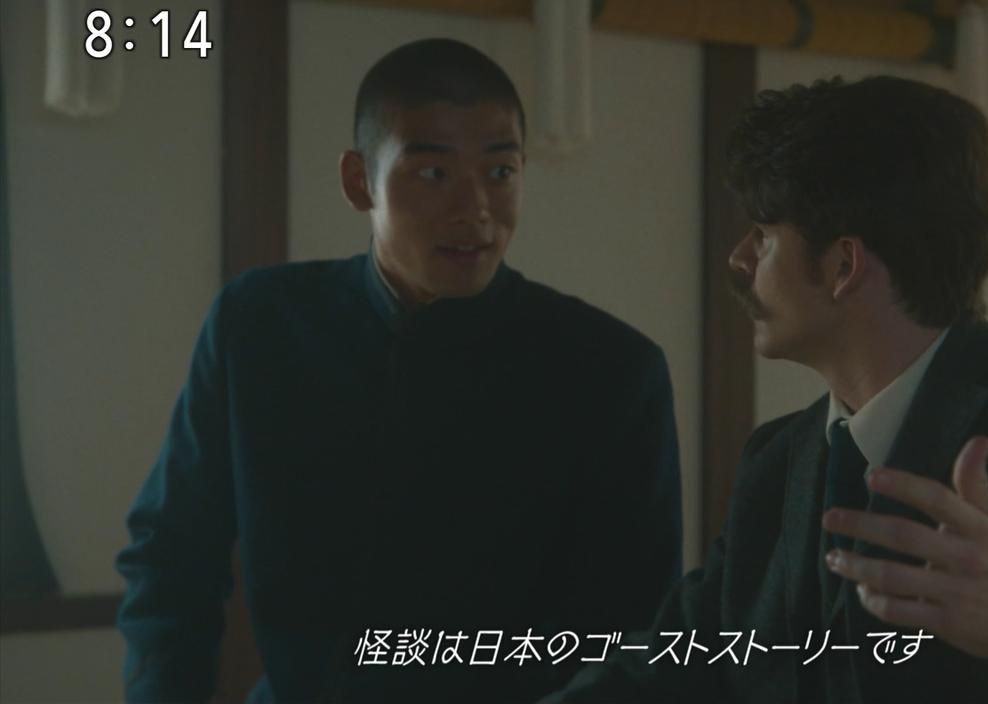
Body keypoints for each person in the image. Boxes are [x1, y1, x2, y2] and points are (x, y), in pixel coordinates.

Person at [545, 76, 988, 703]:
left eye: (763, 234)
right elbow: (674, 663)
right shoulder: (780, 461)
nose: (739, 260)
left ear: (843, 266)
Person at [115, 38, 682, 703]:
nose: (475, 208)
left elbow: (627, 636)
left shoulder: (610, 371)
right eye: (434, 173)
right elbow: (172, 552)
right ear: (360, 181)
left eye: (500, 172)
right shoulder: (260, 325)